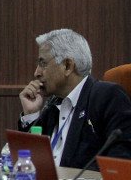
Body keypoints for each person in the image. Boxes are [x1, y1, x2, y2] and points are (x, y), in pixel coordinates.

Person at [18, 28, 131, 169]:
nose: (37, 73)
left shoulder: (106, 97)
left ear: (67, 66)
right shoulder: (53, 105)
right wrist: (31, 114)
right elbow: (27, 161)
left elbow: (120, 162)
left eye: (43, 63)